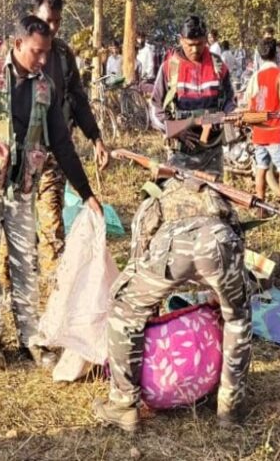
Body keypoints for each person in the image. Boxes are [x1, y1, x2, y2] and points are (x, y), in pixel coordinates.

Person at [0, 15, 103, 371]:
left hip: (21, 187)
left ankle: (31, 337)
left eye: (46, 52)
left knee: (25, 264)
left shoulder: (46, 88)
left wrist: (87, 192)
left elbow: (62, 144)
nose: (44, 59)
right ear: (17, 44)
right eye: (37, 52)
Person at [91, 177, 251, 432]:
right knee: (237, 318)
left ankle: (123, 405)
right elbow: (237, 239)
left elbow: (137, 257)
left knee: (124, 308)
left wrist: (147, 312)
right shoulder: (215, 192)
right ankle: (231, 407)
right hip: (220, 243)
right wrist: (220, 296)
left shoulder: (155, 197)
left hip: (174, 248)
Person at [31, 0, 110, 284]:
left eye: (57, 22)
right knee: (13, 236)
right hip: (16, 162)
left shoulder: (63, 55)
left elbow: (76, 98)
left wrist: (96, 137)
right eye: (46, 20)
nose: (51, 28)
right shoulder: (16, 54)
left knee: (52, 230)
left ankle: (56, 301)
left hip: (54, 153)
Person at [151, 16, 236, 176]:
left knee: (213, 196)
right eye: (190, 45)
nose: (195, 50)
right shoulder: (170, 68)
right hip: (181, 152)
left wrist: (232, 116)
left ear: (206, 40)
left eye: (200, 44)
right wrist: (175, 130)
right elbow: (155, 108)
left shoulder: (218, 66)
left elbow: (229, 100)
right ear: (181, 40)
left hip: (212, 152)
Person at [249, 38, 280, 218]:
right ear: (276, 53)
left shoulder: (255, 76)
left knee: (261, 169)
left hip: (259, 131)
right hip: (276, 130)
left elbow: (252, 103)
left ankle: (261, 209)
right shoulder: (279, 73)